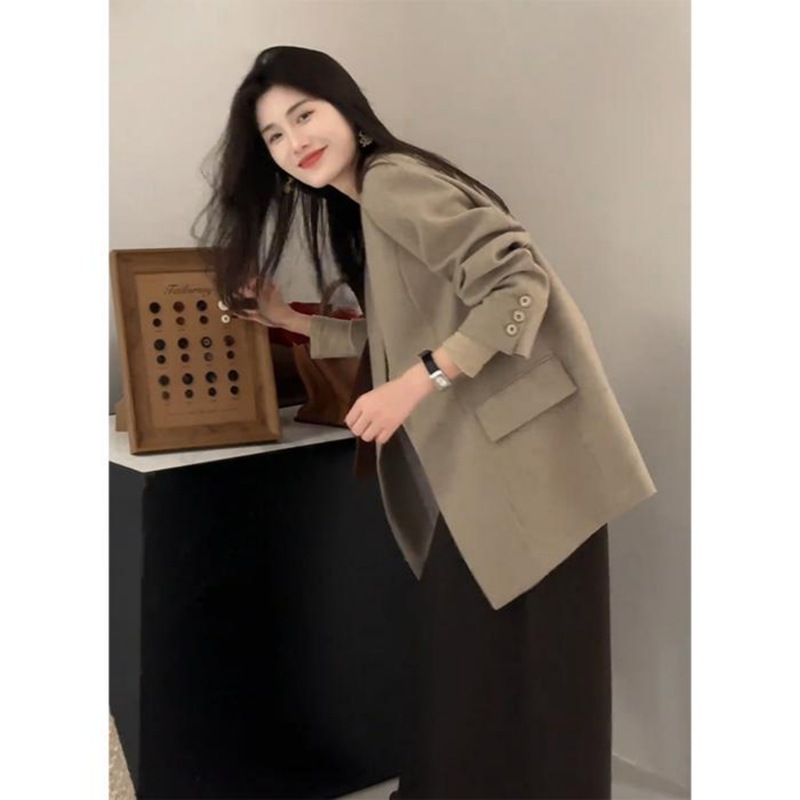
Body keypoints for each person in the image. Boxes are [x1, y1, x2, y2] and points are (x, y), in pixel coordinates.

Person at [193, 45, 657, 800]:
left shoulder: (391, 182)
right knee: (503, 670)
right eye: (274, 134)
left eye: (304, 115)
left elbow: (517, 282)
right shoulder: (372, 199)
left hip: (532, 459)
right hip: (506, 462)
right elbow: (398, 331)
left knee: (515, 671)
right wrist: (288, 319)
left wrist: (416, 384)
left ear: (346, 108)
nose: (294, 141)